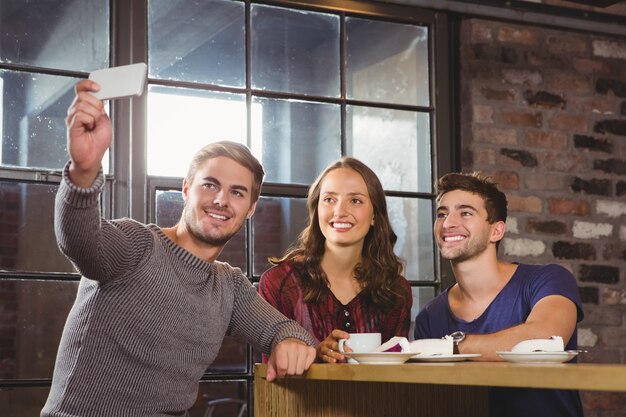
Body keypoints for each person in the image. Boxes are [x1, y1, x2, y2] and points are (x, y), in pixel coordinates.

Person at [41, 80, 316, 417]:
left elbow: (281, 329)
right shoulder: (139, 245)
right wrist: (84, 172)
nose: (220, 200)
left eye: (237, 192)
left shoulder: (228, 287)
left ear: (251, 208)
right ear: (186, 189)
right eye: (210, 185)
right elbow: (79, 241)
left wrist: (290, 341)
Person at [413, 172, 584, 417]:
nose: (448, 223)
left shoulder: (547, 280)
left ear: (496, 231)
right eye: (442, 214)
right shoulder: (430, 316)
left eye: (465, 213)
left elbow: (545, 340)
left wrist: (452, 345)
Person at [259, 157, 412, 363]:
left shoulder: (396, 291)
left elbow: (397, 375)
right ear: (317, 209)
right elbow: (272, 375)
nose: (339, 212)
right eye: (329, 199)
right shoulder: (279, 283)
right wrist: (315, 356)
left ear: (375, 215)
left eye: (355, 200)